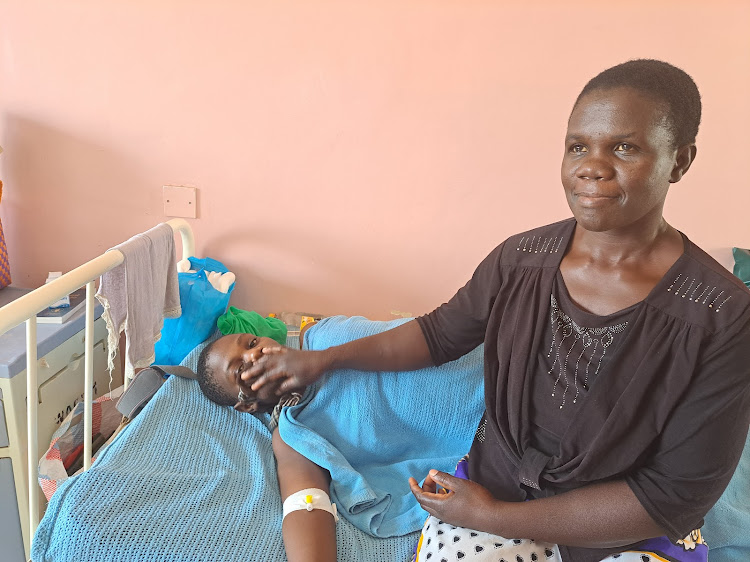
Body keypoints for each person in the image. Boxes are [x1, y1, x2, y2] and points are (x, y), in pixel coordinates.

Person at [239, 59, 750, 562]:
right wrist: (321, 359)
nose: (592, 166)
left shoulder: (722, 314)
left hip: (621, 535)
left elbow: (673, 497)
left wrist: (492, 519)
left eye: (625, 147)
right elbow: (438, 335)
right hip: (498, 487)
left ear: (680, 161)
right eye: (578, 146)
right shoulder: (520, 261)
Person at [197, 331, 340, 562]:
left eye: (253, 342)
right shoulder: (290, 432)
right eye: (240, 370)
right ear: (247, 406)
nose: (254, 353)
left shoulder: (314, 336)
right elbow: (306, 502)